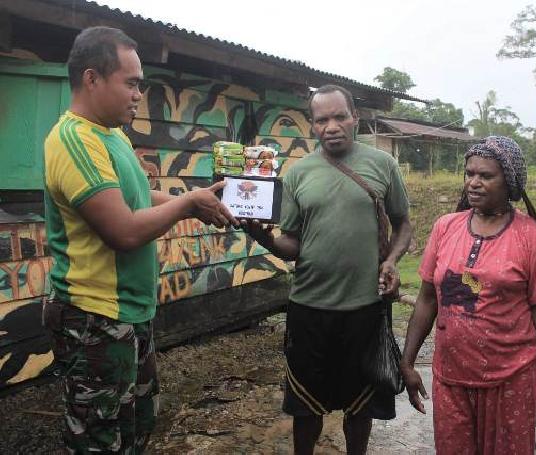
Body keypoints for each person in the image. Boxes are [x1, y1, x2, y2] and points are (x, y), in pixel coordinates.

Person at [42, 26, 236, 453]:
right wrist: (187, 204)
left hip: (129, 312)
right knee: (99, 438)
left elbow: (136, 195)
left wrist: (194, 203)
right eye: (131, 83)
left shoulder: (110, 134)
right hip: (93, 317)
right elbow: (124, 231)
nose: (138, 95)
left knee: (135, 425)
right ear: (92, 79)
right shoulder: (74, 139)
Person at [242, 84, 413, 455]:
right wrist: (263, 238)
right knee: (305, 406)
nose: (331, 126)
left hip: (365, 307)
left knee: (360, 405)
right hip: (309, 308)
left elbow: (403, 224)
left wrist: (391, 261)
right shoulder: (298, 174)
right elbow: (292, 244)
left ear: (355, 117)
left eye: (339, 117)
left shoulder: (382, 164)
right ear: (312, 125)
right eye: (322, 120)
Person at [400, 136, 536, 454]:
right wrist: (407, 362)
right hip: (450, 378)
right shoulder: (445, 228)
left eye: (486, 176)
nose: (473, 183)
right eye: (469, 173)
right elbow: (427, 299)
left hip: (512, 381)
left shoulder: (532, 238)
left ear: (510, 182)